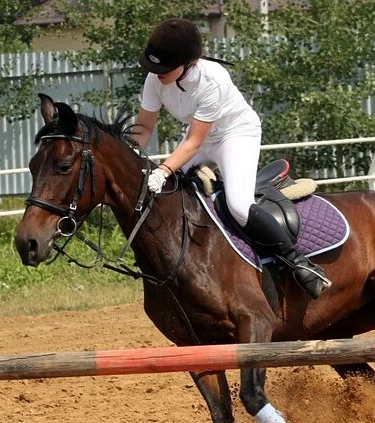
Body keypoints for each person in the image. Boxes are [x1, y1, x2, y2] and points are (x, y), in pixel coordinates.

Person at [132, 18, 330, 298]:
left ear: (187, 63)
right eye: (154, 67)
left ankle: (298, 262)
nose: (156, 73)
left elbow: (193, 142)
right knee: (170, 193)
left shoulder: (212, 80)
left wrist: (163, 169)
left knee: (238, 205)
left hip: (235, 135)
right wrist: (128, 152)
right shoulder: (156, 79)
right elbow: (143, 128)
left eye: (163, 68)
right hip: (200, 137)